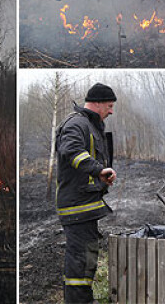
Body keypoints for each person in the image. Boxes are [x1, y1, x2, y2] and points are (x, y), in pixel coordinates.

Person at [55, 82, 117, 304]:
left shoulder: (91, 126)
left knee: (86, 256)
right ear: (98, 103)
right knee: (81, 259)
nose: (111, 111)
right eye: (109, 106)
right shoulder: (77, 124)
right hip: (76, 206)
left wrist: (100, 175)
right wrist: (99, 170)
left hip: (86, 205)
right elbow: (72, 151)